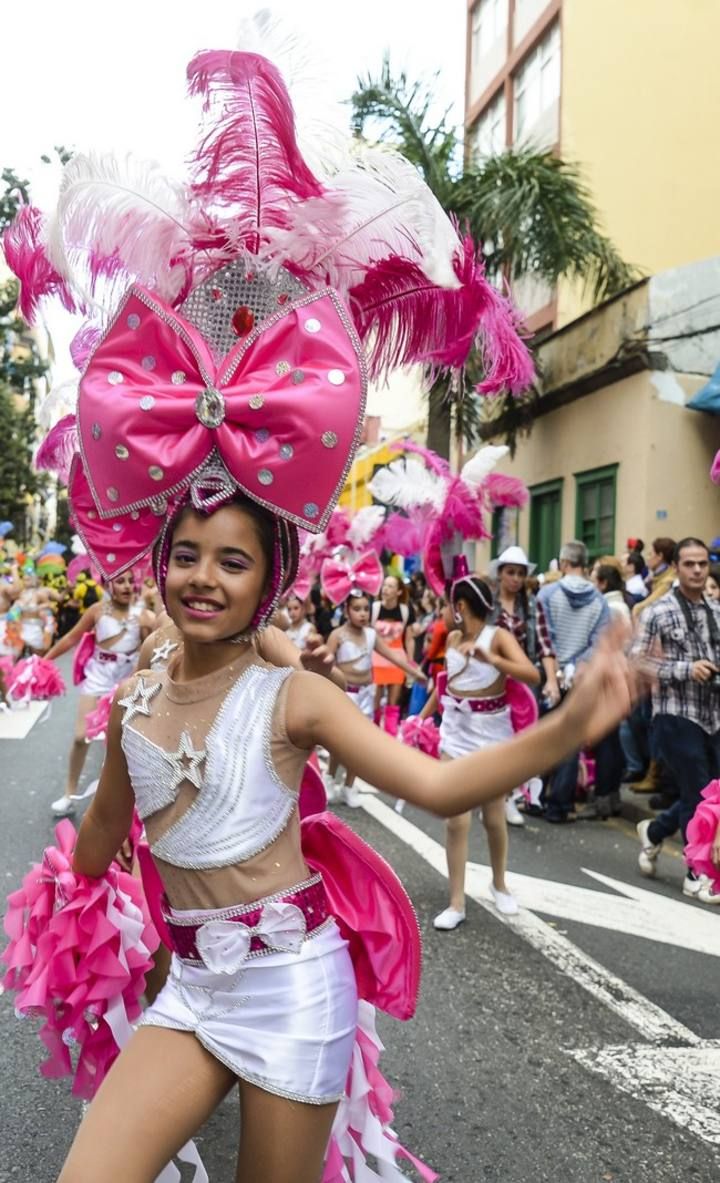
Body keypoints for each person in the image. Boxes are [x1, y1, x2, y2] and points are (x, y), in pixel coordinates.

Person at [2, 42, 634, 1183]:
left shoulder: (289, 695)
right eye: (185, 553)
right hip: (191, 988)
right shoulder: (135, 698)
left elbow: (434, 784)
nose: (202, 576)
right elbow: (101, 847)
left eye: (231, 561)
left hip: (292, 985)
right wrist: (78, 871)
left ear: (268, 579)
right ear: (157, 562)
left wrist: (568, 726)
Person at [420, 566, 540, 926]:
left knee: (492, 816)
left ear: (459, 605)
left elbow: (532, 675)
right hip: (456, 731)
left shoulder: (498, 636)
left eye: (445, 606)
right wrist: (422, 718)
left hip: (492, 734)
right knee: (455, 820)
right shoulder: (452, 639)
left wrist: (494, 660)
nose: (442, 612)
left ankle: (499, 884)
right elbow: (445, 686)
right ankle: (456, 902)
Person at [634, 538, 720, 902]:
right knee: (698, 792)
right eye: (689, 564)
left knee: (706, 794)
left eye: (702, 564)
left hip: (712, 714)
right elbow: (637, 661)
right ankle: (695, 872)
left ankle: (654, 832)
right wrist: (686, 669)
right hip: (674, 713)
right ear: (677, 567)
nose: (698, 570)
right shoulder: (658, 611)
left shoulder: (716, 610)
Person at [43, 572, 155, 816]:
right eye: (120, 581)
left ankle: (128, 805)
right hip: (98, 676)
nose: (126, 586)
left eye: (129, 581)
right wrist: (44, 660)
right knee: (80, 737)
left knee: (123, 744)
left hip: (127, 679)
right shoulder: (97, 610)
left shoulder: (143, 615)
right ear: (108, 584)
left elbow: (152, 650)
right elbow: (72, 637)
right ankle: (69, 793)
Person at [325, 589, 426, 806]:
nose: (362, 614)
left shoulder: (371, 635)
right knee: (339, 743)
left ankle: (349, 787)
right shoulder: (337, 635)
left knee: (360, 745)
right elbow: (324, 663)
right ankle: (329, 779)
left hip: (366, 695)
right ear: (346, 610)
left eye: (365, 609)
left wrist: (415, 672)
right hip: (344, 695)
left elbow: (393, 656)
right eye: (356, 609)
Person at [537, 541, 611, 823]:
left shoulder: (548, 594)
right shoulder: (599, 600)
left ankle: (536, 795)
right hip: (580, 678)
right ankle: (559, 805)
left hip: (549, 675)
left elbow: (544, 638)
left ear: (564, 562)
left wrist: (556, 670)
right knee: (570, 741)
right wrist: (576, 667)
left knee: (541, 736)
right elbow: (599, 642)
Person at [489, 544, 558, 825]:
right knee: (494, 741)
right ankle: (489, 791)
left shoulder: (532, 604)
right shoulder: (487, 603)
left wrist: (551, 680)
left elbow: (545, 646)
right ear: (501, 574)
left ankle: (509, 798)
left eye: (520, 573)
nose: (516, 578)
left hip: (523, 683)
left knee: (520, 743)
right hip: (491, 681)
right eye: (510, 572)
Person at [371, 574, 414, 735]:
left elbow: (409, 639)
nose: (386, 589)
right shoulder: (374, 608)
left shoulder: (405, 611)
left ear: (398, 591)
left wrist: (409, 662)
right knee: (375, 698)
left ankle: (391, 734)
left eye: (390, 586)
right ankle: (373, 732)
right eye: (385, 585)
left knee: (393, 701)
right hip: (376, 658)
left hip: (397, 659)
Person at [632, 537, 676, 618]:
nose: (648, 558)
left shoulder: (668, 581)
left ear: (660, 556)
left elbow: (643, 607)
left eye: (650, 554)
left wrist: (635, 609)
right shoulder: (658, 576)